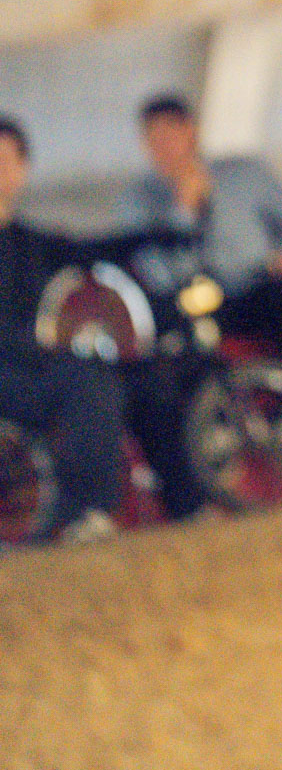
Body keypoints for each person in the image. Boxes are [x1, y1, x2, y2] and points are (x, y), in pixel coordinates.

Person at [119, 95, 282, 376]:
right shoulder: (138, 201)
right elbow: (160, 275)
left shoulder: (242, 172)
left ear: (191, 131)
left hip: (262, 283)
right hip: (196, 302)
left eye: (170, 134)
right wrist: (184, 212)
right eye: (154, 139)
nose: (164, 147)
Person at [0, 116, 125, 542]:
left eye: (6, 160)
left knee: (92, 375)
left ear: (22, 169)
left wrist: (163, 234)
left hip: (27, 372)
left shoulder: (32, 243)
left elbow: (96, 252)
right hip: (12, 369)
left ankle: (85, 513)